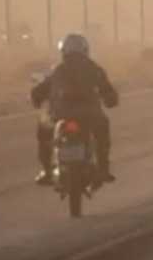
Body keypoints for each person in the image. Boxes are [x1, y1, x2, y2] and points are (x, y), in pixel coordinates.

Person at [31, 34, 119, 185]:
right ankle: (103, 168)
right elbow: (107, 91)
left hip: (61, 114)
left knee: (44, 130)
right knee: (102, 131)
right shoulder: (93, 68)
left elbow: (39, 91)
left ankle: (47, 170)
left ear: (64, 51)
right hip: (89, 114)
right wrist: (110, 99)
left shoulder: (58, 70)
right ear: (85, 50)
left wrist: (37, 99)